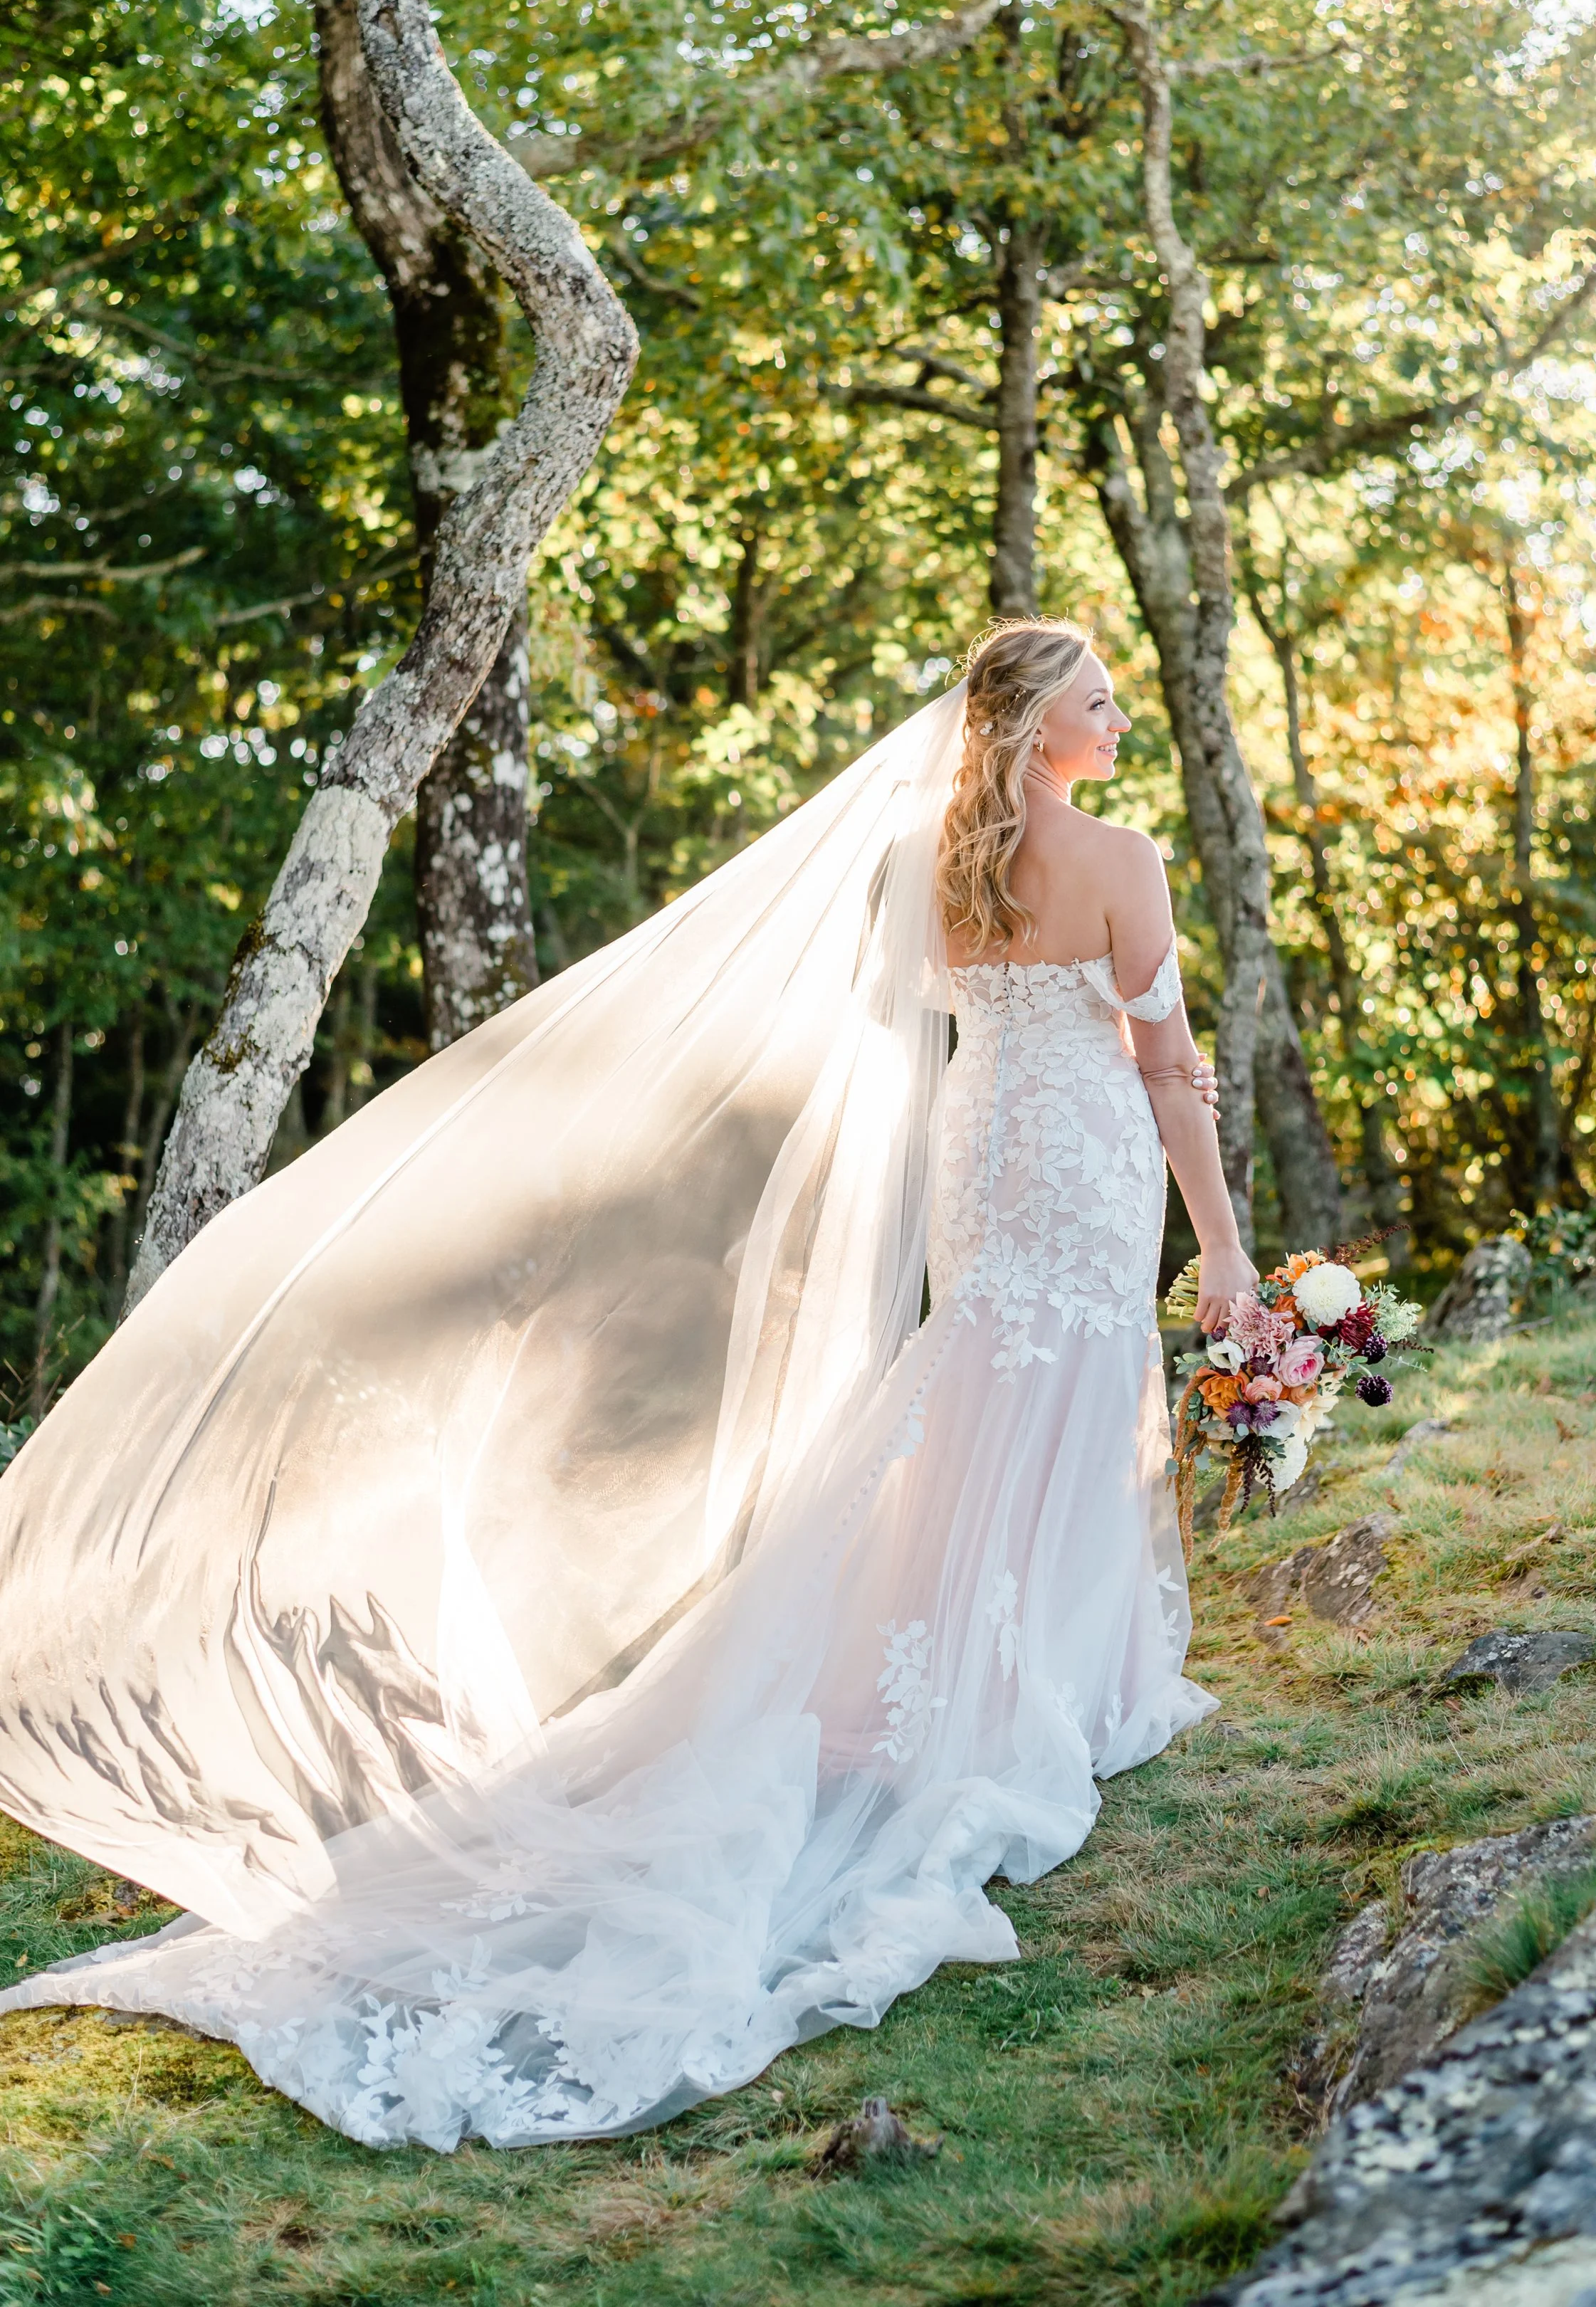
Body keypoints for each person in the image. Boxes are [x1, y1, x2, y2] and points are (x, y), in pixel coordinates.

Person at [0, 618, 1256, 2150]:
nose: (1118, 721)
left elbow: (892, 1023)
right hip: (1081, 1158)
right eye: (1096, 700)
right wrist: (1228, 1250)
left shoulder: (915, 862)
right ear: (1030, 720)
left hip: (981, 1159)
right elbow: (1165, 1066)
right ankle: (1056, 1682)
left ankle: (963, 1672)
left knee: (976, 1379)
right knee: (1055, 1380)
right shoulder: (1120, 857)